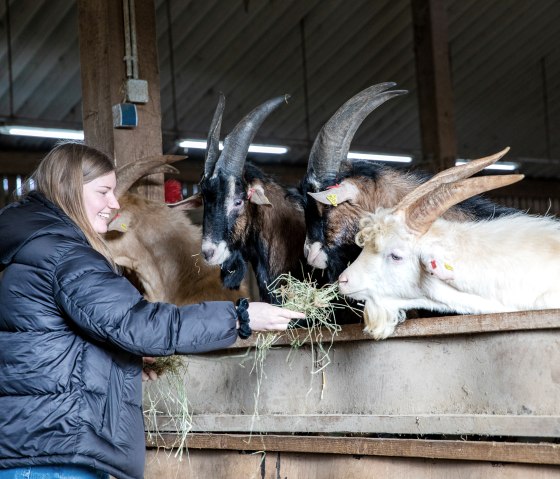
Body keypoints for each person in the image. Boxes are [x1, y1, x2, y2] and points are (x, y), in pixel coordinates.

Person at [0, 142, 305, 479]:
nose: (112, 203)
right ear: (70, 189)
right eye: (103, 192)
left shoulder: (33, 246)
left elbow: (59, 341)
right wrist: (240, 317)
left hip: (41, 447)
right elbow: (137, 325)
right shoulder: (65, 254)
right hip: (55, 456)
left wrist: (124, 360)